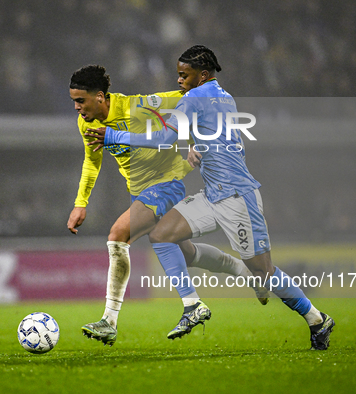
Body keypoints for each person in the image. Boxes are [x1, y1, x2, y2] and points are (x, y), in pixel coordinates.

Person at [85, 46, 335, 350]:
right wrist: (201, 147)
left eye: (184, 74)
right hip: (213, 193)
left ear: (202, 75)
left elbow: (164, 138)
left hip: (237, 197)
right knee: (162, 234)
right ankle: (193, 306)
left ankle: (317, 319)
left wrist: (115, 136)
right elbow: (224, 139)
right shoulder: (224, 97)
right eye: (178, 74)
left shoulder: (194, 98)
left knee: (264, 271)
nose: (179, 80)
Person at [68, 65, 268, 346]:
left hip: (167, 182)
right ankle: (245, 272)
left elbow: (185, 97)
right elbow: (92, 161)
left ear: (100, 96)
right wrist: (81, 203)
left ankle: (112, 320)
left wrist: (198, 135)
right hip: (140, 190)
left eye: (81, 101)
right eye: (74, 101)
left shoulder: (138, 108)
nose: (77, 108)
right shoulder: (86, 123)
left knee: (117, 235)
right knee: (186, 254)